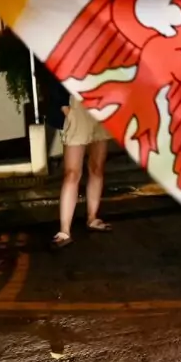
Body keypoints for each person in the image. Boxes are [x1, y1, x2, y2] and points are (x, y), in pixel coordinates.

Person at [52, 92, 114, 249]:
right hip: (77, 102)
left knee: (97, 167)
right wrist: (65, 107)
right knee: (72, 173)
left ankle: (92, 218)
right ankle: (64, 230)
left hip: (102, 101)